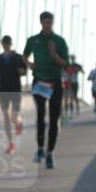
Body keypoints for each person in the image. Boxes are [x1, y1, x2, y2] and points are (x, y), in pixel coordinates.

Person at [22, 12, 69, 169]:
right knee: (40, 115)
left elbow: (65, 64)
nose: (47, 24)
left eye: (50, 22)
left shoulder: (59, 41)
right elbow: (25, 55)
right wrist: (29, 64)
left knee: (54, 119)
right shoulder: (33, 40)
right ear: (41, 23)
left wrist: (54, 54)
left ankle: (50, 152)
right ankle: (40, 149)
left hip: (55, 81)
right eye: (45, 22)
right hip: (40, 80)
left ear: (53, 23)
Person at [0, 35, 27, 154]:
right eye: (4, 43)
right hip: (3, 90)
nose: (6, 45)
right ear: (2, 44)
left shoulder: (18, 57)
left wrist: (21, 71)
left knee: (13, 117)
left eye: (8, 43)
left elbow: (24, 71)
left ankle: (19, 121)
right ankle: (11, 144)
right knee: (6, 116)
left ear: (11, 44)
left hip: (16, 89)